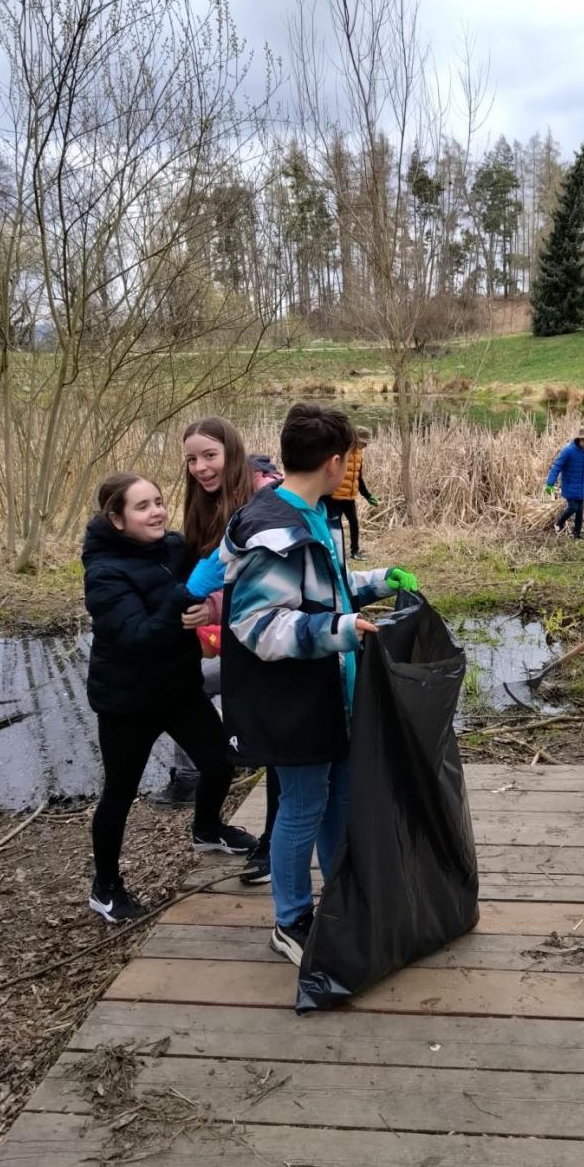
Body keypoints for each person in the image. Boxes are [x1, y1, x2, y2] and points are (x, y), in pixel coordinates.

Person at [218, 403, 418, 964]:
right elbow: (257, 626)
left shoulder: (309, 513)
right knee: (302, 806)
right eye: (350, 458)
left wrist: (377, 582)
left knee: (341, 798)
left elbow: (322, 587)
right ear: (335, 462)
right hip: (293, 701)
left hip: (332, 693)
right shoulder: (272, 530)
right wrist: (340, 629)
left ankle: (344, 894)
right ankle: (291, 920)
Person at [83, 473, 256, 923]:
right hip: (128, 701)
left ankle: (207, 828)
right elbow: (138, 637)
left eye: (158, 501)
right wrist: (186, 597)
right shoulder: (103, 572)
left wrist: (207, 606)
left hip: (179, 688)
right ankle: (105, 887)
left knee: (219, 761)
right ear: (117, 519)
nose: (156, 511)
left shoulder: (173, 548)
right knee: (119, 793)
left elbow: (203, 592)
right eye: (142, 507)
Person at [175, 418, 283, 887]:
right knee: (238, 721)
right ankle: (199, 793)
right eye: (192, 459)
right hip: (238, 644)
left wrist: (213, 605)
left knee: (281, 745)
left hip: (277, 639)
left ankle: (276, 845)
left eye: (209, 456)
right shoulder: (207, 504)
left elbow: (263, 583)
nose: (200, 467)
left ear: (232, 452)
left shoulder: (266, 499)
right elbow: (208, 575)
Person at [324, 425, 378, 559]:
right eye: (363, 442)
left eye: (366, 443)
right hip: (335, 497)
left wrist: (368, 496)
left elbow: (358, 478)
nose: (365, 445)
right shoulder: (341, 452)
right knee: (335, 526)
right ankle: (335, 552)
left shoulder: (359, 455)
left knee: (354, 523)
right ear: (354, 439)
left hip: (349, 497)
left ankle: (355, 552)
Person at [545, 426, 584, 540]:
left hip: (582, 486)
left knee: (580, 512)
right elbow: (557, 467)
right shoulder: (568, 451)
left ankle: (577, 534)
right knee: (573, 507)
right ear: (579, 439)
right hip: (569, 485)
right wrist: (550, 483)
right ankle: (559, 522)